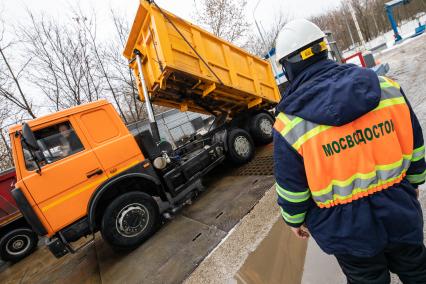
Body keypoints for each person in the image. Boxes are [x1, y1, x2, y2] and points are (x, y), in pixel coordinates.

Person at [273, 19, 426, 283]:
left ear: (288, 67)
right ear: (325, 49)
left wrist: (294, 220)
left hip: (345, 231)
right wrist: (415, 182)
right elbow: (416, 147)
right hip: (400, 211)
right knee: (418, 272)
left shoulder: (288, 125)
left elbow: (293, 188)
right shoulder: (387, 88)